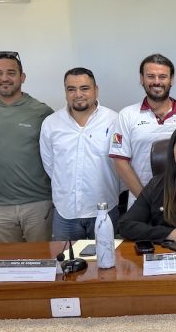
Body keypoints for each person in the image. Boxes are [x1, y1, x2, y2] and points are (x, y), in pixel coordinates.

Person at [0, 51, 55, 242]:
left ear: (22, 77)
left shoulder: (42, 111)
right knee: (5, 259)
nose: (4, 78)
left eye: (11, 73)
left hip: (38, 203)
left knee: (41, 258)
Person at [39, 68, 121, 241]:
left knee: (107, 257)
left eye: (84, 88)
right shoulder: (51, 123)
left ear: (96, 90)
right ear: (65, 92)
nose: (78, 94)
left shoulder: (115, 121)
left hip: (104, 211)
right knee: (65, 258)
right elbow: (50, 165)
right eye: (71, 89)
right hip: (66, 213)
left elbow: (122, 165)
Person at [110, 54, 176, 197]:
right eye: (151, 76)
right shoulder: (126, 115)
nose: (157, 81)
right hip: (140, 198)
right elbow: (120, 162)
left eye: (163, 76)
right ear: (142, 79)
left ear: (171, 80)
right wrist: (145, 200)